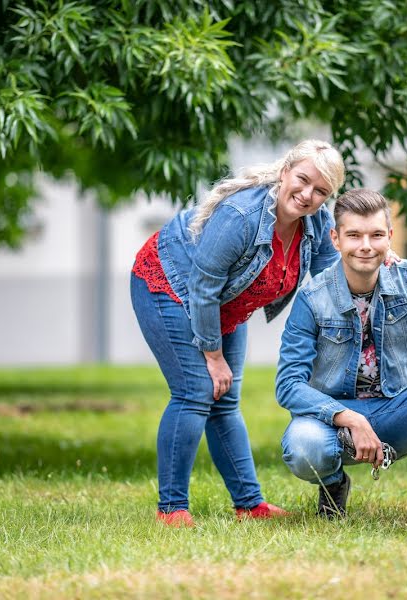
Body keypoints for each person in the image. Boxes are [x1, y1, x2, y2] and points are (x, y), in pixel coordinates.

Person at [130, 140, 346, 527]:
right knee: (195, 391)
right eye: (302, 180)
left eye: (321, 191)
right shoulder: (241, 215)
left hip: (224, 302)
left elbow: (334, 278)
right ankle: (172, 509)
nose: (308, 195)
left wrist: (379, 261)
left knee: (225, 399)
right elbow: (203, 285)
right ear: (285, 172)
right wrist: (213, 357)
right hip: (172, 284)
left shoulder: (317, 222)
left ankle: (249, 504)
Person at [276, 188, 407, 522]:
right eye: (354, 235)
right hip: (337, 419)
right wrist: (350, 419)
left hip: (403, 406)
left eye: (376, 235)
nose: (366, 246)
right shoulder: (312, 298)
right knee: (303, 446)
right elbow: (287, 385)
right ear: (335, 239)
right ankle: (333, 485)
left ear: (390, 237)